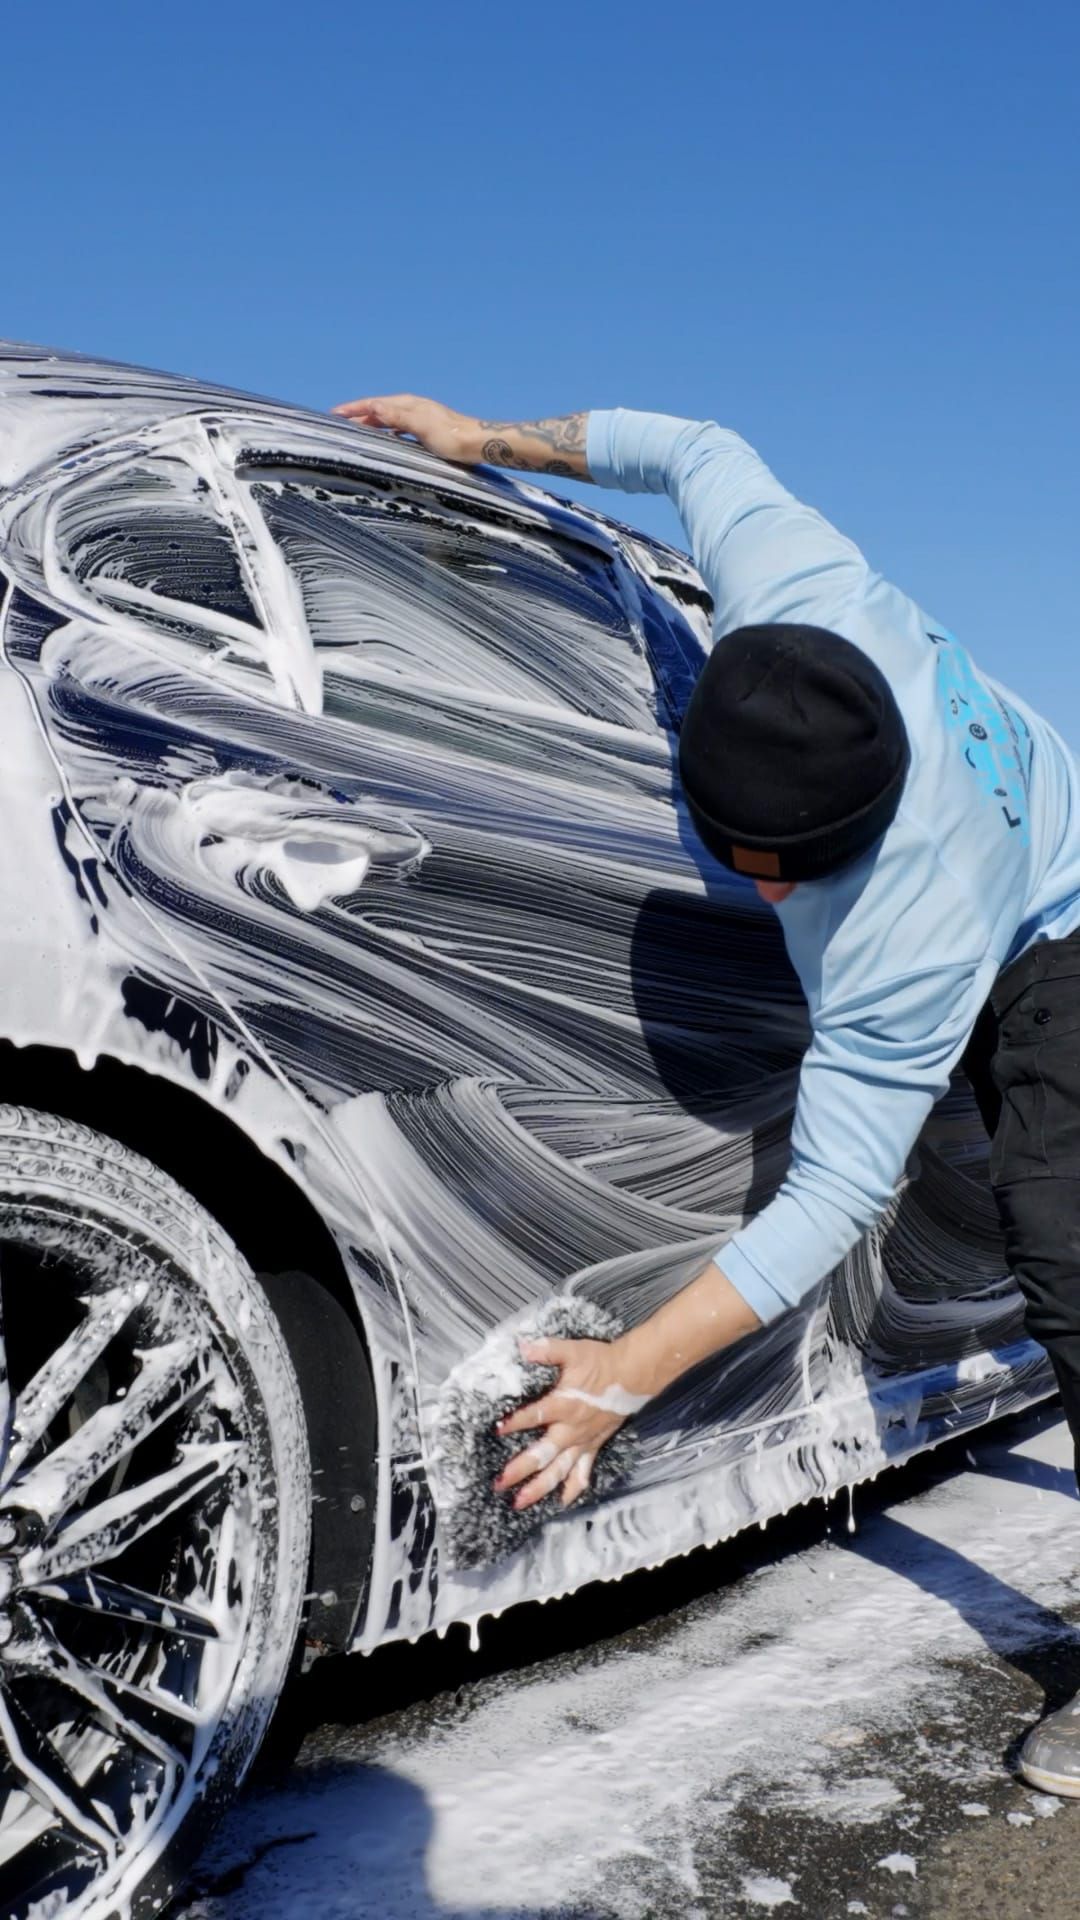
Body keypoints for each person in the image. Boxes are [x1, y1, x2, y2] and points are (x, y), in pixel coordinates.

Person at [332, 393, 1080, 1794]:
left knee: (1065, 1252)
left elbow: (836, 1194)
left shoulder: (907, 913)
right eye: (742, 854)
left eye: (798, 867)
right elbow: (690, 448)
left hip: (1057, 931)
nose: (769, 890)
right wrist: (482, 438)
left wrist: (623, 1377)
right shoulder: (790, 581)